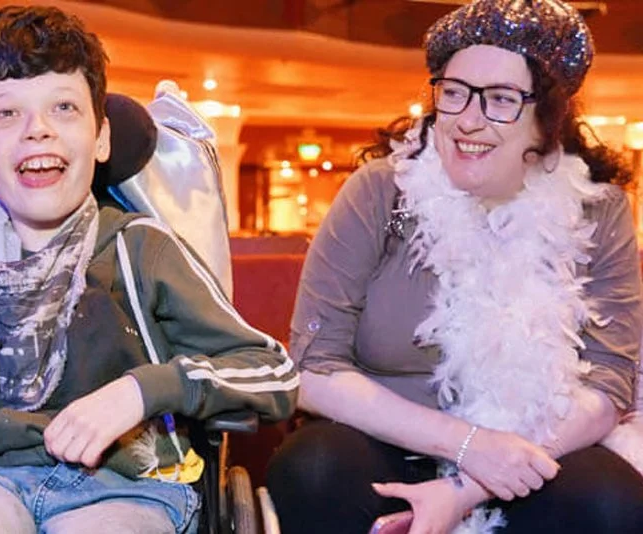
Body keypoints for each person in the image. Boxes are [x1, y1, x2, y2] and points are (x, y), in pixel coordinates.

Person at [0, 3, 297, 533]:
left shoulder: (142, 249)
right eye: (8, 114)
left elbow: (273, 372)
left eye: (64, 108)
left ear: (101, 137)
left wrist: (142, 390)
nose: (38, 131)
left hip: (134, 484)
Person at [266, 1, 643, 533]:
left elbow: (608, 384)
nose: (468, 118)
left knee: (608, 502)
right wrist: (467, 445)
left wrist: (469, 485)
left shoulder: (598, 211)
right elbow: (312, 371)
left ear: (548, 118)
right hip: (385, 438)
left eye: (502, 100)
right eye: (454, 91)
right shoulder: (380, 193)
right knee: (314, 469)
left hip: (537, 445)